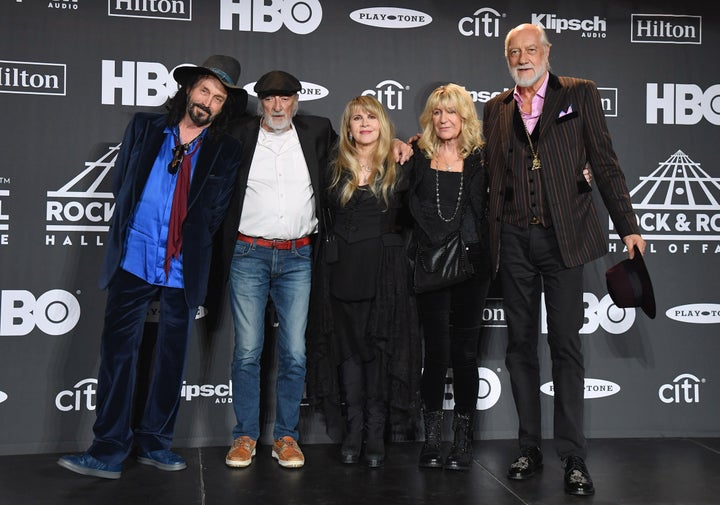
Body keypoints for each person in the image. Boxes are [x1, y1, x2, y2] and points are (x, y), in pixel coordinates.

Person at [57, 55, 246, 479]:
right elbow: (123, 183)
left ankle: (155, 443)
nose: (208, 102)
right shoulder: (145, 127)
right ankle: (107, 449)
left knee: (169, 359)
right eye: (203, 91)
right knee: (117, 355)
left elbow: (215, 214)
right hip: (135, 258)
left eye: (218, 98)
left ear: (223, 106)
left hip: (184, 266)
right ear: (187, 91)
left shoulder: (226, 149)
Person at [215, 71, 413, 470]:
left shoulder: (316, 131)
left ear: (296, 102)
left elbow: (363, 148)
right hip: (249, 253)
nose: (277, 106)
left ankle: (287, 436)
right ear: (260, 102)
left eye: (285, 98)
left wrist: (399, 141)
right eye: (269, 98)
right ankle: (245, 436)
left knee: (295, 351)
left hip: (299, 257)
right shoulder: (238, 133)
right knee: (249, 350)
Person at [482, 23, 646, 496]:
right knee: (519, 347)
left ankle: (573, 455)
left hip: (565, 239)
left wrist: (628, 225)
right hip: (512, 239)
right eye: (514, 51)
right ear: (507, 58)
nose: (522, 57)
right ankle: (528, 447)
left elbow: (606, 161)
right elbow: (482, 169)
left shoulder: (580, 93)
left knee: (567, 348)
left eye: (531, 49)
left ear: (547, 52)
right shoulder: (495, 109)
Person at [307, 96, 421, 468]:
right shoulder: (332, 166)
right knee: (349, 356)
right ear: (349, 127)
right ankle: (353, 431)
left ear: (382, 123)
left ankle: (375, 433)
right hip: (340, 273)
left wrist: (410, 144)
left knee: (377, 355)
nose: (365, 123)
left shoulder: (400, 164)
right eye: (357, 118)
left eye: (371, 117)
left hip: (384, 277)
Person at [407, 84, 492, 471]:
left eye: (451, 113)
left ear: (464, 117)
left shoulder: (482, 159)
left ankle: (462, 440)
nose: (444, 120)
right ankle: (432, 440)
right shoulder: (418, 156)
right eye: (437, 113)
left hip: (473, 267)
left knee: (465, 354)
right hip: (430, 266)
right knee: (436, 354)